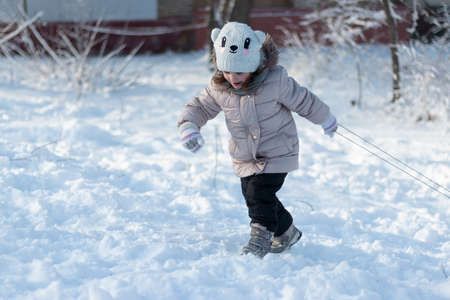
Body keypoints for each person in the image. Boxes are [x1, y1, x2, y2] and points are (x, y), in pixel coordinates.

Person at [177, 22, 337, 258]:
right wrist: (189, 127)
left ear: (254, 64)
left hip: (278, 152)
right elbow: (199, 107)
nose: (233, 77)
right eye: (227, 71)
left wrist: (325, 118)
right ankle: (286, 231)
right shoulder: (219, 87)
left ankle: (260, 240)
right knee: (257, 197)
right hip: (246, 156)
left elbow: (304, 100)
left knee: (259, 195)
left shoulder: (276, 82)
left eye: (239, 72)